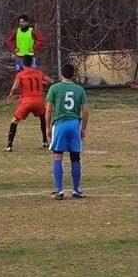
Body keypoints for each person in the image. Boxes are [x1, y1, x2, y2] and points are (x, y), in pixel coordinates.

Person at [45, 63, 89, 200]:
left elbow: (48, 109)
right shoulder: (79, 89)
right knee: (75, 157)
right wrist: (83, 128)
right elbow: (86, 111)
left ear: (61, 73)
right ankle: (76, 190)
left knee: (58, 156)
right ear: (73, 74)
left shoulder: (54, 88)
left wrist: (47, 127)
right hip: (74, 124)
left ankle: (59, 191)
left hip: (60, 125)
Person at [5, 55, 54, 151]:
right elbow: (51, 81)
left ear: (22, 64)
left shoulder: (21, 74)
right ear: (32, 63)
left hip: (26, 102)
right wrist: (41, 82)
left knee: (14, 121)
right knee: (43, 118)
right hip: (39, 102)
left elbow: (15, 87)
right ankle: (45, 141)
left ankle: (9, 145)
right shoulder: (39, 73)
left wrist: (11, 94)